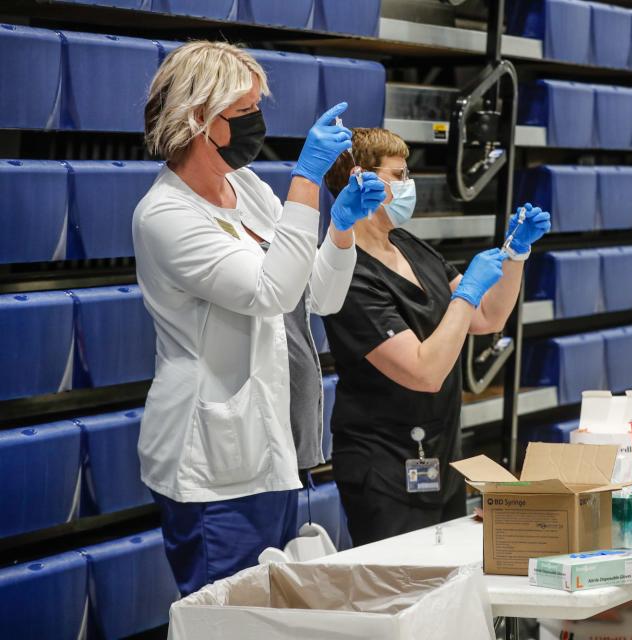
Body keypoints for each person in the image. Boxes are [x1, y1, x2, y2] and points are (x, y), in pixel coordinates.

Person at [133, 41, 385, 594]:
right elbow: (269, 291)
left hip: (272, 447)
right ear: (198, 117)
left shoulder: (244, 186)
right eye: (244, 112)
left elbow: (317, 295)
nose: (257, 123)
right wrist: (305, 181)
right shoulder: (166, 215)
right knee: (224, 620)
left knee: (269, 615)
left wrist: (340, 231)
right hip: (212, 464)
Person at [321, 128, 551, 545]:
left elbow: (487, 316)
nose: (409, 185)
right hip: (383, 465)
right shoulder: (347, 273)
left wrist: (515, 255)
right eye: (399, 174)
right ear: (362, 179)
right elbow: (425, 371)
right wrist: (464, 294)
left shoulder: (408, 245)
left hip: (439, 454)